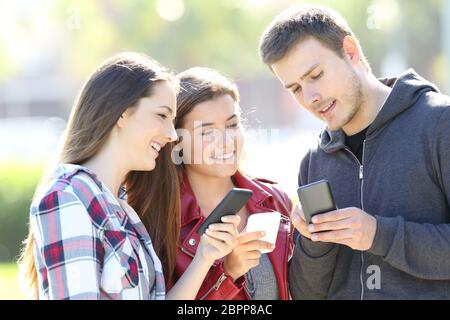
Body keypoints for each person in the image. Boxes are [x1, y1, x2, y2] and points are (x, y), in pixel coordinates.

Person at [259, 5, 450, 299]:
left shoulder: (440, 124)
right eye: (295, 88)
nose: (310, 97)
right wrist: (314, 243)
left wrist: (377, 235)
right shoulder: (314, 162)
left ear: (350, 51)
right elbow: (306, 293)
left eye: (316, 75)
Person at [18, 53, 239, 300]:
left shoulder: (122, 208)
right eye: (161, 116)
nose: (171, 134)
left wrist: (204, 257)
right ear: (121, 113)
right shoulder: (68, 197)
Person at [170, 67, 294, 299]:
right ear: (176, 142)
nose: (226, 142)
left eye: (232, 125)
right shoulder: (162, 221)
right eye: (206, 132)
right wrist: (228, 272)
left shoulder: (275, 200)